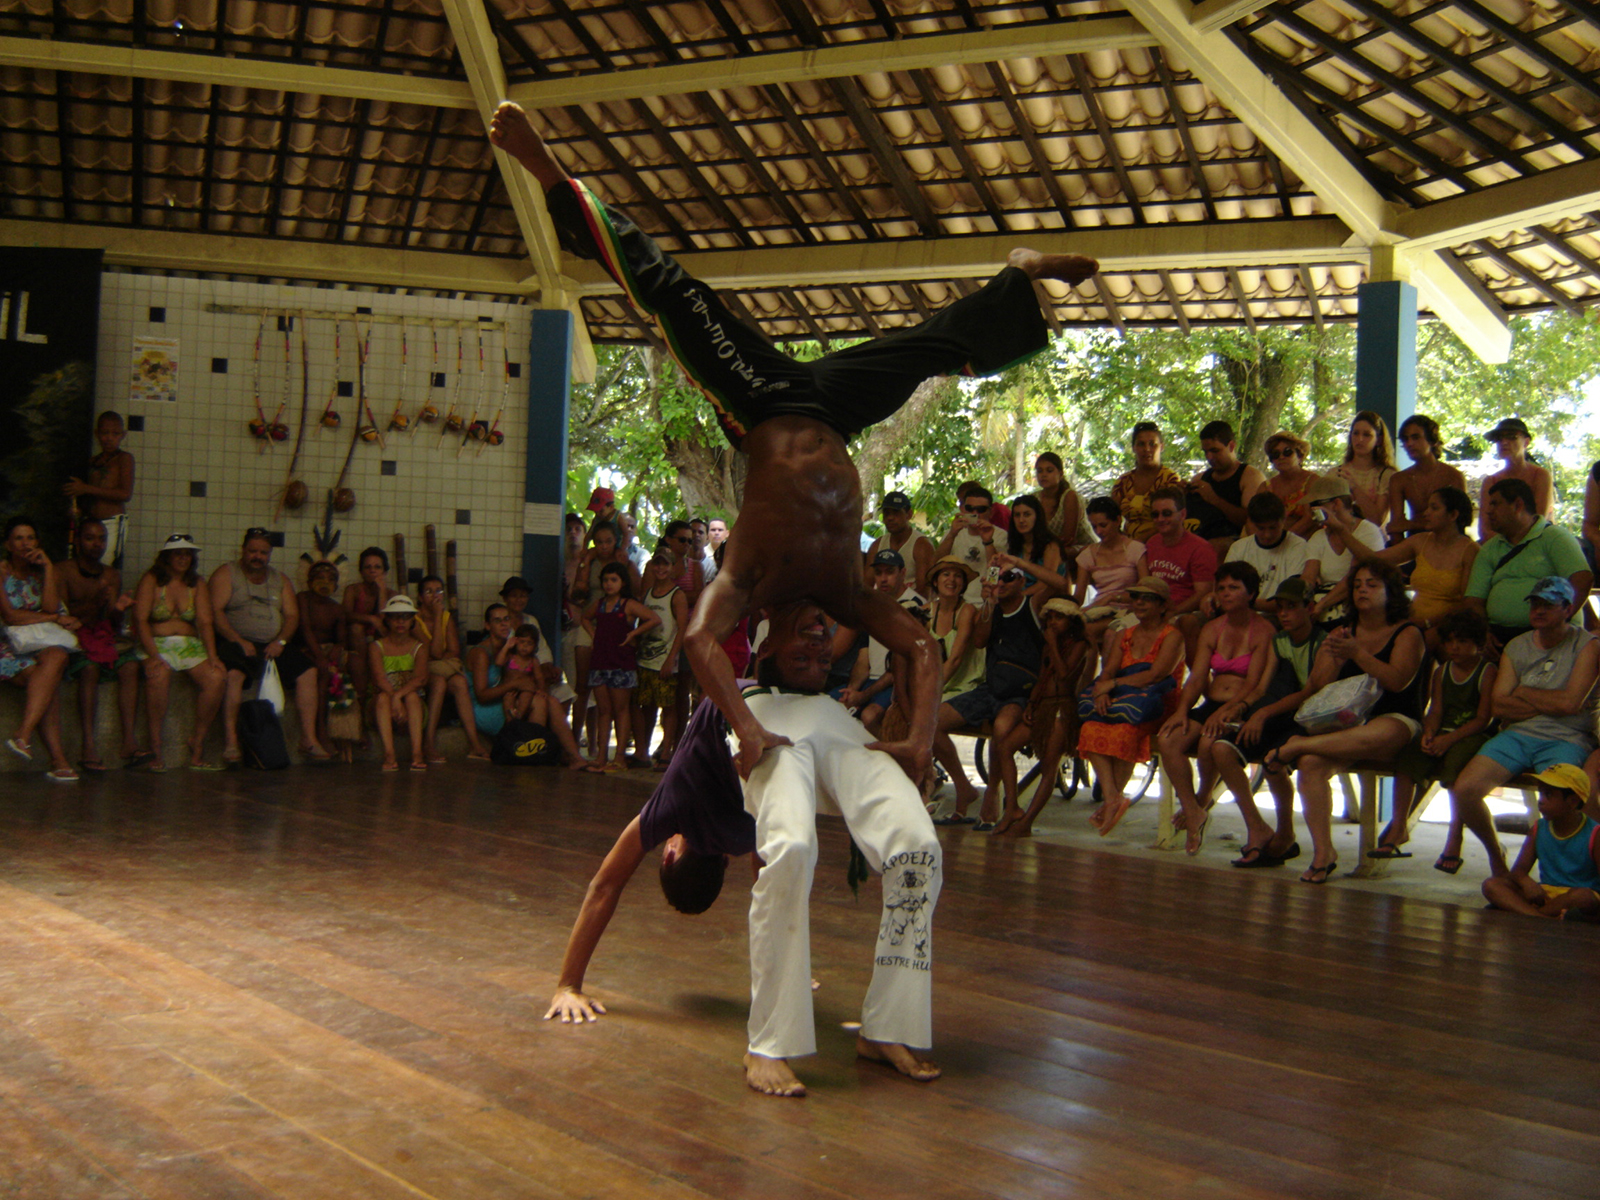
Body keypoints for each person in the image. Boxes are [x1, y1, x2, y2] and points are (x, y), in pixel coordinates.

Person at [490, 101, 1094, 791]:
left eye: (800, 657)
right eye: (818, 656)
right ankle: (1020, 273)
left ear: (767, 649)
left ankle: (547, 170)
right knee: (928, 347)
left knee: (671, 294)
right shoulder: (846, 593)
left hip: (762, 398)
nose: (815, 645)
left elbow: (696, 641)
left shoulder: (747, 580)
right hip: (839, 410)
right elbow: (922, 647)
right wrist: (920, 740)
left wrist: (747, 727)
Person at [741, 602, 945, 1095]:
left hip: (833, 720)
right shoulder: (762, 579)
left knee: (918, 847)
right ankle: (766, 1043)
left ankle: (888, 1028)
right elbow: (699, 640)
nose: (817, 642)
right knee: (790, 848)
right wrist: (743, 727)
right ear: (767, 648)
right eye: (802, 637)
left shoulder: (844, 587)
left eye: (821, 637)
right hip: (767, 720)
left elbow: (924, 645)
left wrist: (922, 738)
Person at [544, 696, 756, 1024]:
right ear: (669, 856)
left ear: (724, 862)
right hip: (735, 699)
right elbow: (604, 887)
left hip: (763, 715)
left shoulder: (746, 835)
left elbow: (769, 885)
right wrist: (566, 985)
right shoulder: (671, 809)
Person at [1273, 562, 1427, 884]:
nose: (1363, 591)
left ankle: (1298, 744)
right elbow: (1317, 687)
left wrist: (1359, 654)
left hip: (1395, 718)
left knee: (1379, 732)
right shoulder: (1342, 631)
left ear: (1390, 591)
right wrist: (1335, 657)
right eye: (1357, 585)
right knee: (1311, 763)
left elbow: (1398, 681)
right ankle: (1323, 853)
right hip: (1346, 723)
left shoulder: (1407, 632)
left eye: (1372, 584)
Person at [1445, 577, 1599, 878]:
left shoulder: (1587, 646)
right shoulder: (1517, 646)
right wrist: (1550, 701)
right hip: (1517, 734)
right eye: (1535, 604)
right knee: (1465, 790)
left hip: (1567, 737)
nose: (1539, 610)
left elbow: (1570, 704)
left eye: (1548, 604)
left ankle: (1572, 875)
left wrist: (1524, 692)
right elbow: (1499, 706)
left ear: (1567, 609)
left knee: (1566, 801)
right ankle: (1497, 857)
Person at [1155, 562, 1274, 854]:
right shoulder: (1212, 628)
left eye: (1234, 588)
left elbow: (1255, 684)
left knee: (1210, 743)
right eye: (1221, 588)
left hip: (1242, 707)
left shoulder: (1263, 630)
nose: (1226, 594)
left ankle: (1202, 800)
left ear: (1251, 593)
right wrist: (1182, 710)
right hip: (1211, 703)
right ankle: (1192, 808)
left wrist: (1230, 710)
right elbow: (1196, 678)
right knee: (1168, 740)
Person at [1209, 578, 1321, 867]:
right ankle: (1256, 827)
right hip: (1274, 713)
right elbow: (1260, 687)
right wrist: (1241, 708)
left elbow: (1310, 691)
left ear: (1309, 608)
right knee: (1221, 749)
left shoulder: (1322, 641)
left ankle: (1285, 833)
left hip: (1308, 718)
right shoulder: (1278, 640)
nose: (1284, 614)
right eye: (1280, 608)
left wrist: (1261, 714)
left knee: (1274, 762)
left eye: (1292, 607)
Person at [1371, 608, 1496, 861]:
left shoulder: (1488, 671)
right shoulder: (1442, 672)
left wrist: (1448, 739)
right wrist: (1429, 732)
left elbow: (1483, 720)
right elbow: (1435, 710)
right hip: (1443, 732)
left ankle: (1455, 835)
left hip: (1471, 735)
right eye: (1449, 641)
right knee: (1407, 759)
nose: (1454, 647)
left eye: (1462, 641)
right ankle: (1398, 826)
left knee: (1454, 771)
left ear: (1478, 644)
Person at [932, 565, 1046, 827]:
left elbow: (1061, 582)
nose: (1002, 582)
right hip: (990, 686)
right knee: (934, 721)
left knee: (1002, 727)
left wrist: (1017, 560)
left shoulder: (1031, 603)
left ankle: (992, 793)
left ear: (1022, 581)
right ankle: (964, 786)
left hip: (1021, 689)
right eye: (997, 577)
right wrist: (989, 602)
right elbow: (981, 640)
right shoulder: (990, 609)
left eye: (1009, 577)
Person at [209, 528, 330, 764]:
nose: (258, 556)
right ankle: (231, 742)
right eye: (253, 551)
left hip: (273, 645)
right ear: (243, 550)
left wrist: (281, 641)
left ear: (270, 554)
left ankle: (308, 739)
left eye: (263, 553)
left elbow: (292, 616)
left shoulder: (280, 579)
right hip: (236, 641)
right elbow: (215, 612)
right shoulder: (227, 574)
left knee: (308, 671)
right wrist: (237, 639)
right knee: (233, 674)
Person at [1077, 577, 1186, 836]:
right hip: (1122, 697)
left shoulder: (1173, 636)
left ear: (1162, 606)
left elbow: (1157, 675)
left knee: (1125, 730)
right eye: (1136, 597)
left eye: (1146, 598)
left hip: (1156, 703)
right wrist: (1104, 689)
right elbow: (1110, 668)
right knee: (1090, 727)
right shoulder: (1126, 634)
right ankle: (1113, 797)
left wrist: (1112, 684)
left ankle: (1112, 800)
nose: (1139, 603)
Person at [991, 597, 1095, 838]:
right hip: (1043, 706)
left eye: (1059, 617)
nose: (1053, 622)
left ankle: (1028, 821)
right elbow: (1042, 676)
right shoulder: (1051, 644)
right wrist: (1031, 703)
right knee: (1004, 747)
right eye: (1049, 617)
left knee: (1049, 767)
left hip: (1062, 707)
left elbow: (1064, 675)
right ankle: (1013, 808)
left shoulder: (1079, 644)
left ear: (1072, 621)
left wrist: (1052, 644)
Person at [1327, 485, 1477, 649]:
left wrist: (1428, 623)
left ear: (1453, 515)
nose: (1426, 513)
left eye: (1434, 508)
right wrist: (1341, 530)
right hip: (1412, 623)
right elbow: (1372, 559)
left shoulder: (1470, 551)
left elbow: (1466, 604)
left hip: (1448, 628)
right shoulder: (1420, 541)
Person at [131, 533, 227, 772]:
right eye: (178, 553)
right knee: (159, 676)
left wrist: (213, 656)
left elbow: (205, 622)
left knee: (216, 678)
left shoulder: (197, 583)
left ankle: (197, 745)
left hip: (189, 645)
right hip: (157, 643)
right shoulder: (152, 580)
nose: (183, 558)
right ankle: (156, 748)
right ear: (167, 556)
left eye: (187, 554)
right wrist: (153, 656)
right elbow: (140, 620)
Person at [1466, 478, 1591, 650]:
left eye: (1495, 504)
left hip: (1553, 635)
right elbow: (1474, 600)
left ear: (1517, 505)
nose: (1488, 511)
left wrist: (1559, 621)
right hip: (1499, 638)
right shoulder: (1489, 549)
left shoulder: (1555, 537)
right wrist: (1483, 633)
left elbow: (1582, 580)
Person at [56, 517, 140, 773]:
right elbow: (63, 617)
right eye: (90, 538)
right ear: (79, 541)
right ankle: (88, 747)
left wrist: (117, 608)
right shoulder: (62, 571)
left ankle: (128, 741)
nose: (97, 544)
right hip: (74, 639)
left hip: (102, 635)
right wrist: (94, 605)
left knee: (131, 667)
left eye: (102, 538)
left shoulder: (111, 575)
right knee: (89, 669)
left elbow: (112, 620)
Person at [1, 516, 78, 780]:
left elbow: (49, 606)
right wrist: (54, 619)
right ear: (8, 544)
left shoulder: (43, 572)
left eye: (30, 538)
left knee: (56, 655)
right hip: (6, 645)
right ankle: (57, 760)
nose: (25, 543)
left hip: (37, 644)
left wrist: (47, 568)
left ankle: (23, 734)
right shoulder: (1, 572)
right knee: (46, 684)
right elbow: (10, 616)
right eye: (19, 538)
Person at [1481, 763, 1600, 920]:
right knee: (1491, 885)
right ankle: (1542, 918)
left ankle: (1527, 914)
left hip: (1577, 896)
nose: (1541, 801)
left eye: (1548, 795)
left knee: (1583, 897)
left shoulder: (1594, 834)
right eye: (1541, 794)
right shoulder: (1539, 828)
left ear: (1572, 801)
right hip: (1545, 895)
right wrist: (1526, 882)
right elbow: (1518, 871)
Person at [840, 549, 928, 735]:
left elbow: (901, 667)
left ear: (902, 573)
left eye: (889, 572)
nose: (883, 578)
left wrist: (864, 695)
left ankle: (894, 759)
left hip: (899, 683)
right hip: (872, 680)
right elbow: (863, 658)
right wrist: (852, 690)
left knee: (870, 716)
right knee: (830, 705)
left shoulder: (914, 606)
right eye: (878, 573)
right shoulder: (871, 603)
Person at [583, 562, 661, 771]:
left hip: (621, 663)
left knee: (621, 710)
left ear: (622, 582)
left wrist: (634, 633)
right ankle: (601, 756)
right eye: (606, 580)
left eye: (613, 580)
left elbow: (653, 618)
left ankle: (618, 756)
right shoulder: (599, 605)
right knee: (604, 711)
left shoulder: (628, 605)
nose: (609, 584)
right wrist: (594, 636)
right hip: (600, 662)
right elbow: (584, 618)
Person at [416, 574, 489, 763]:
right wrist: (438, 615)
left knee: (459, 681)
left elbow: (454, 651)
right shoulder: (415, 620)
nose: (435, 596)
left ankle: (474, 744)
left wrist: (439, 653)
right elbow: (434, 652)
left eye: (439, 591)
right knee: (439, 683)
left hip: (442, 669)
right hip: (421, 672)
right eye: (429, 591)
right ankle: (428, 743)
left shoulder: (447, 617)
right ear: (420, 597)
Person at [1138, 488, 1217, 650]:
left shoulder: (1200, 548)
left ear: (1182, 515)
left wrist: (1172, 612)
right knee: (1116, 629)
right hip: (1153, 609)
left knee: (1181, 624)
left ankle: (1196, 674)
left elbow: (1203, 592)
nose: (1160, 519)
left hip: (1185, 611)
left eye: (1167, 513)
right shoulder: (1151, 543)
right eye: (1155, 514)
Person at [1300, 476, 1385, 625]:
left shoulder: (1368, 531)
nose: (1311, 510)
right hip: (1325, 602)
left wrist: (1322, 605)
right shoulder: (1318, 537)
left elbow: (1358, 574)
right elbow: (1309, 576)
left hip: (1358, 603)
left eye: (1315, 504)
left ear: (1336, 504)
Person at [632, 552, 690, 767]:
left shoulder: (677, 595)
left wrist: (671, 658)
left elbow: (682, 628)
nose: (660, 569)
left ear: (672, 567)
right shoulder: (648, 593)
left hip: (665, 659)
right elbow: (642, 623)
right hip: (645, 658)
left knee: (669, 707)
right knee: (646, 705)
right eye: (656, 565)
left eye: (665, 565)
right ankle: (643, 751)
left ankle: (667, 751)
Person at [64, 410, 135, 566]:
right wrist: (78, 510)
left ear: (123, 435)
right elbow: (84, 494)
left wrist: (86, 488)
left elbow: (125, 493)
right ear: (97, 433)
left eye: (115, 434)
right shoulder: (92, 461)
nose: (109, 438)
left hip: (112, 522)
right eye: (105, 433)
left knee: (106, 568)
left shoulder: (124, 459)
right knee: (85, 565)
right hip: (89, 522)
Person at [1186, 420, 1264, 559]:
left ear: (1231, 446)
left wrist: (1214, 499)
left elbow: (1252, 520)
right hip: (1198, 537)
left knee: (1215, 547)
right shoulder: (1200, 478)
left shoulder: (1250, 477)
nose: (1209, 457)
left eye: (1215, 451)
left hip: (1232, 542)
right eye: (1206, 452)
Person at [369, 595, 429, 772]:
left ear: (412, 621)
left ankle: (417, 753)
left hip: (412, 704)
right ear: (387, 620)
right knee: (382, 698)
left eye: (406, 617)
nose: (400, 621)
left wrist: (398, 696)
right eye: (395, 617)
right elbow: (379, 678)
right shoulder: (376, 646)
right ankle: (389, 754)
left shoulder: (419, 647)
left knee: (411, 696)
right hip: (383, 702)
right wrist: (394, 698)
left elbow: (421, 679)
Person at [1222, 492, 1308, 614]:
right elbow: (1226, 589)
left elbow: (1290, 598)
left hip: (1276, 615)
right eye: (1261, 528)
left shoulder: (1298, 546)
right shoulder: (1239, 548)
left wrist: (1245, 602)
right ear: (1250, 523)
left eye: (1273, 528)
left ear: (1284, 519)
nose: (1267, 535)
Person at [1387, 415, 1468, 540]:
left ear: (1432, 440)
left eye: (1415, 437)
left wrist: (1411, 524)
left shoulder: (1453, 476)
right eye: (1405, 439)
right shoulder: (1399, 479)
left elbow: (1462, 521)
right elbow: (1395, 527)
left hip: (1448, 542)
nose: (1409, 444)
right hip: (1413, 544)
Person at [1073, 496, 1144, 636]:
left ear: (1118, 521)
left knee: (1087, 631)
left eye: (1103, 525)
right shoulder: (1088, 554)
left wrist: (1112, 597)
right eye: (1094, 527)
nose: (1098, 531)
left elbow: (1145, 592)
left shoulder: (1135, 549)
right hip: (1099, 610)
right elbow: (1078, 598)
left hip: (1130, 609)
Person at [297, 560, 348, 754]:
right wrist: (319, 656)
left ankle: (351, 731)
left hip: (326, 652)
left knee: (342, 669)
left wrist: (337, 647)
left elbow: (341, 638)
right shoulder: (302, 598)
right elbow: (305, 628)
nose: (325, 582)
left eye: (330, 579)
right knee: (323, 672)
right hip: (306, 649)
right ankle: (319, 732)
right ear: (309, 581)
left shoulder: (337, 608)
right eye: (320, 578)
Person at [1478, 417, 1553, 540]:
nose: (1504, 442)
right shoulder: (1490, 481)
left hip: (1538, 544)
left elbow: (1539, 523)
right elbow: (1484, 530)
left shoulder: (1540, 475)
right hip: (1498, 547)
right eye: (1499, 439)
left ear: (1526, 442)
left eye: (1511, 437)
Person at [1111, 422, 1184, 543]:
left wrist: (1137, 543)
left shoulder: (1170, 480)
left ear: (1161, 447)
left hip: (1162, 545)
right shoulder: (1122, 482)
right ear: (1134, 448)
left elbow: (1172, 521)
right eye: (1141, 444)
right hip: (1127, 548)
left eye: (1152, 444)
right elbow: (1112, 520)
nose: (1147, 449)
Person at [927, 556, 984, 703]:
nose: (951, 580)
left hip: (963, 687)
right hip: (932, 684)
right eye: (946, 574)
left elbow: (955, 660)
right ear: (935, 581)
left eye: (957, 576)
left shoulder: (967, 610)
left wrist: (926, 693)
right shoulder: (925, 611)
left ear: (964, 584)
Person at [990, 494, 1067, 599]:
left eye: (1027, 514)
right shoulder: (1014, 543)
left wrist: (1016, 600)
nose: (1021, 520)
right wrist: (990, 584)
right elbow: (995, 576)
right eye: (1017, 515)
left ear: (1037, 517)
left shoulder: (1050, 545)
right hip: (1018, 599)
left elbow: (1045, 584)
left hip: (1044, 600)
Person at [1333, 410, 1398, 532]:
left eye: (1367, 435)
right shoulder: (1336, 473)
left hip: (1373, 542)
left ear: (1378, 440)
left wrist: (1353, 487)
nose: (1360, 439)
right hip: (1339, 539)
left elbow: (1377, 520)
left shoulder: (1386, 475)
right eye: (1356, 433)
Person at [935, 485, 998, 605]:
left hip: (984, 601)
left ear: (990, 512)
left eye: (981, 510)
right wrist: (952, 535)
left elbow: (995, 574)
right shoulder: (953, 532)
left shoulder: (999, 535)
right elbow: (936, 564)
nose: (975, 514)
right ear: (962, 509)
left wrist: (988, 541)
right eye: (970, 508)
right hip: (955, 601)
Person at [865, 491, 935, 595]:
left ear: (909, 514)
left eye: (896, 512)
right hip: (883, 605)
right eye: (886, 513)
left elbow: (924, 590)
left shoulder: (922, 545)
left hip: (913, 607)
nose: (890, 518)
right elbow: (866, 585)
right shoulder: (877, 545)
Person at [1254, 430, 1320, 539]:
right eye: (1275, 454)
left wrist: (1284, 539)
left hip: (1307, 543)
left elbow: (1310, 518)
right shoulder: (1265, 487)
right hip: (1271, 542)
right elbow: (1254, 520)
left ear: (1300, 455)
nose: (1281, 457)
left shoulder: (1313, 481)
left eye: (1287, 452)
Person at [1031, 452, 1083, 551]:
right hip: (1047, 548)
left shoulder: (1069, 496)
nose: (1044, 475)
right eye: (1040, 471)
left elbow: (1068, 538)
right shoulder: (1034, 499)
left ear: (1060, 474)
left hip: (1077, 548)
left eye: (1049, 471)